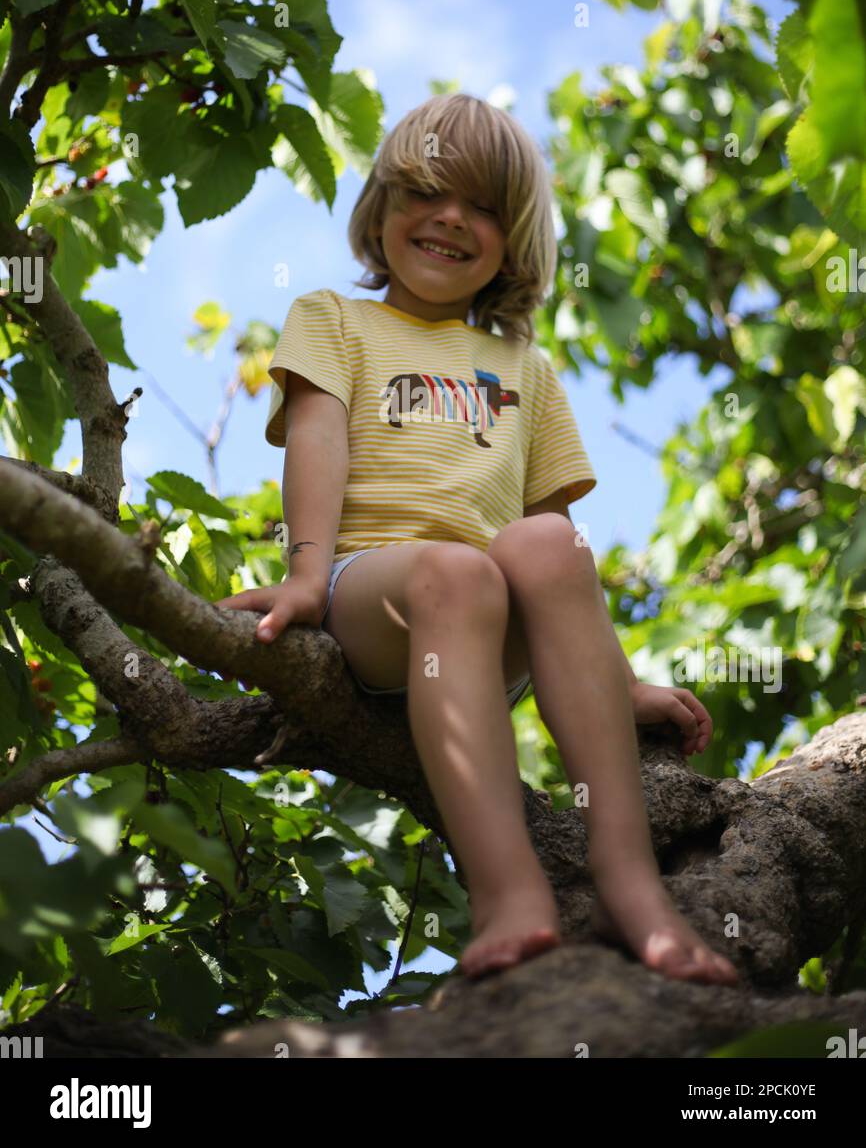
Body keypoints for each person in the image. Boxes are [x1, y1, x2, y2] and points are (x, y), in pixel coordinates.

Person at [216, 92, 739, 986]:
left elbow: (560, 559)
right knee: (459, 573)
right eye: (425, 190)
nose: (452, 218)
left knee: (542, 545)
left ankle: (628, 884)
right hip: (376, 599)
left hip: (491, 629)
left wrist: (620, 681)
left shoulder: (525, 371)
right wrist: (305, 574)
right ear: (380, 206)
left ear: (513, 240)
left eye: (486, 206)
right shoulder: (334, 320)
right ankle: (505, 894)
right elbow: (318, 436)